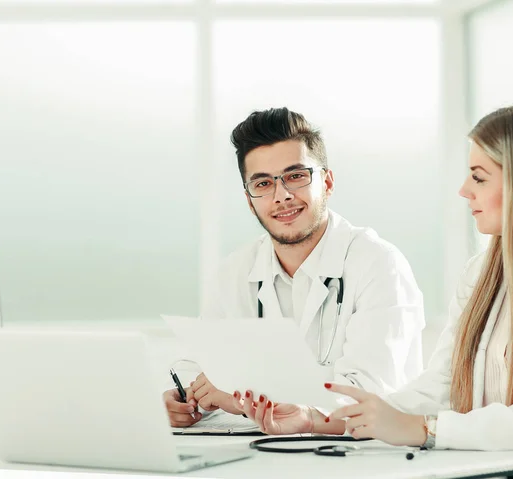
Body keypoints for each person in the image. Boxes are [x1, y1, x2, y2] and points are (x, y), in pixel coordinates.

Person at [235, 105, 513, 461]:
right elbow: (440, 388)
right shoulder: (481, 274)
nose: (464, 190)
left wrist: (425, 430)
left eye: (479, 177)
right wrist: (317, 418)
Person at [164, 107, 425, 429]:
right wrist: (186, 400)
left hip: (363, 460)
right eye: (262, 184)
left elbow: (371, 394)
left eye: (296, 176)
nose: (282, 196)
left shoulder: (379, 264)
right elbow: (201, 367)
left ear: (327, 182)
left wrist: (238, 398)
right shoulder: (235, 272)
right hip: (265, 455)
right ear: (249, 200)